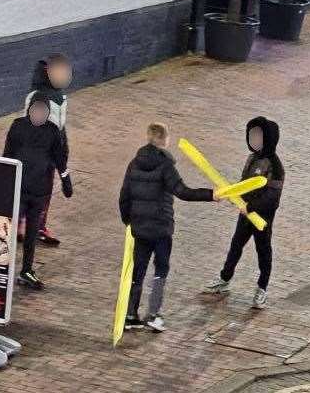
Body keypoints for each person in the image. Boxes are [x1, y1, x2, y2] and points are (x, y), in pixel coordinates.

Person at [119, 123, 220, 332]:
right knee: (161, 268)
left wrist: (129, 221)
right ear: (165, 140)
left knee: (138, 270)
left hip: (140, 227)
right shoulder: (166, 166)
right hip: (161, 228)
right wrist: (211, 195)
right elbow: (182, 191)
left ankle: (130, 314)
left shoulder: (134, 163)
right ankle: (153, 314)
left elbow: (124, 195)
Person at [205, 117, 285, 309]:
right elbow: (244, 183)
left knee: (263, 251)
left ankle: (262, 288)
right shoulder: (252, 158)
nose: (253, 139)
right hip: (245, 213)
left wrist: (250, 207)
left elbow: (272, 197)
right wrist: (229, 193)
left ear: (268, 138)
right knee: (236, 246)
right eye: (251, 135)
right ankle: (224, 279)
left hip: (261, 218)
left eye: (258, 135)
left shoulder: (275, 165)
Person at [4, 92, 73, 290]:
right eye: (36, 111)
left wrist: (66, 180)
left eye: (43, 112)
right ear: (30, 110)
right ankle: (0, 267)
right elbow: (8, 153)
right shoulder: (18, 126)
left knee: (32, 233)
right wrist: (2, 179)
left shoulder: (52, 132)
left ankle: (26, 270)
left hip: (39, 192)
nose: (39, 115)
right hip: (20, 190)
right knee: (9, 230)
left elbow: (60, 158)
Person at [23, 54, 73, 247]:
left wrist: (63, 148)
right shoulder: (38, 97)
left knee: (45, 191)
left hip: (53, 151)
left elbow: (60, 126)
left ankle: (38, 225)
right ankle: (26, 225)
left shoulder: (61, 97)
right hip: (38, 153)